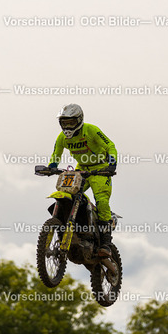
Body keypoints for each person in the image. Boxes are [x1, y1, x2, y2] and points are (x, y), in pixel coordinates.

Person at [48, 104, 117, 256]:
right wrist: (51, 167)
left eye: (71, 122)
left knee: (101, 200)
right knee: (68, 193)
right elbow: (56, 154)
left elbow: (110, 146)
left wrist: (112, 164)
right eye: (64, 123)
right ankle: (71, 229)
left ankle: (106, 242)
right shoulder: (62, 138)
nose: (68, 126)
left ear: (79, 120)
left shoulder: (91, 130)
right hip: (82, 168)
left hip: (100, 168)